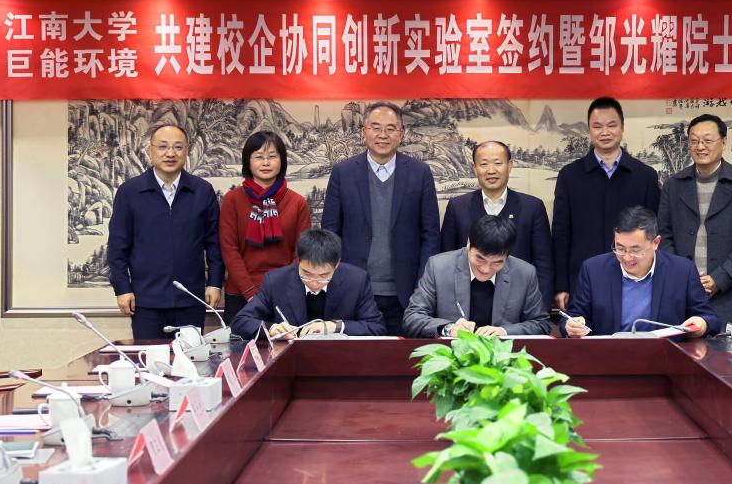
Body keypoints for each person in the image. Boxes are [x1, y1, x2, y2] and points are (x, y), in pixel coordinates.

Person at [321, 101, 440, 336]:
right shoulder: (343, 173)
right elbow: (330, 232)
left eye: (390, 128)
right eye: (375, 127)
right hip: (354, 287)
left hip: (406, 290)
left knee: (402, 354)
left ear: (401, 133)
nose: (383, 135)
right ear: (363, 132)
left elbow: (430, 234)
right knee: (357, 353)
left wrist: (422, 283)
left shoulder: (420, 173)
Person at [107, 123, 224, 339]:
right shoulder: (130, 192)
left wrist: (215, 283)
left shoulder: (202, 191)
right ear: (149, 150)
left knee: (191, 358)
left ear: (186, 151)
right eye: (162, 146)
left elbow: (214, 243)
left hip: (191, 299)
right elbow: (117, 247)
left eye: (178, 147)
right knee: (150, 357)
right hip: (145, 303)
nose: (170, 153)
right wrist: (122, 288)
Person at [552, 97, 660, 311]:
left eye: (612, 125)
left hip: (635, 277)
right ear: (589, 130)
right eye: (597, 126)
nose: (605, 132)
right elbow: (561, 234)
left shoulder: (645, 176)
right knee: (583, 330)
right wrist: (561, 285)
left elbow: (654, 233)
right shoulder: (569, 175)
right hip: (582, 278)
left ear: (622, 128)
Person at [658, 114, 732, 328]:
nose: (700, 146)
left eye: (707, 140)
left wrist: (720, 278)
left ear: (723, 142)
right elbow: (663, 235)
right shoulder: (673, 185)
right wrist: (684, 276)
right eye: (694, 140)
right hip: (683, 295)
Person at [563, 206, 718, 338]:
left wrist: (702, 324)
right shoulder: (593, 270)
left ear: (656, 242)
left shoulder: (682, 271)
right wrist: (573, 325)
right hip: (608, 356)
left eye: (635, 250)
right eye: (620, 248)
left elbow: (709, 318)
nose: (627, 257)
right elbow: (572, 316)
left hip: (666, 357)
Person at [440, 140, 553, 307]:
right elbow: (446, 261)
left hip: (518, 303)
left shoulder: (532, 207)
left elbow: (544, 264)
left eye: (498, 163)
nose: (491, 170)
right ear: (475, 168)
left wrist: (540, 308)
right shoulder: (457, 207)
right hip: (467, 302)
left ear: (510, 166)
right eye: (484, 164)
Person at [403, 215, 550, 338]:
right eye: (479, 258)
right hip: (450, 356)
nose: (486, 269)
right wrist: (449, 328)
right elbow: (412, 318)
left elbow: (541, 324)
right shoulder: (438, 267)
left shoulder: (524, 273)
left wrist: (505, 332)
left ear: (507, 255)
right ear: (469, 243)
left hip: (503, 358)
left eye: (497, 263)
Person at [219, 131, 311, 325]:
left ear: (282, 161)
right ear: (248, 161)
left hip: (284, 292)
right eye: (259, 157)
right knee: (241, 344)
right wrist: (250, 292)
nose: (266, 163)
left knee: (285, 344)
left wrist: (281, 290)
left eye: (272, 156)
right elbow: (229, 250)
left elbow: (301, 252)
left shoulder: (297, 202)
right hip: (240, 293)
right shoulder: (232, 200)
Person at [231, 229, 385, 340]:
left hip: (341, 358)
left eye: (323, 276)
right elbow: (240, 322)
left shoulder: (356, 280)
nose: (314, 282)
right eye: (306, 273)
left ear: (337, 264)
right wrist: (272, 328)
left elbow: (377, 327)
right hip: (290, 361)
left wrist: (336, 327)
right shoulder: (276, 281)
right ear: (298, 260)